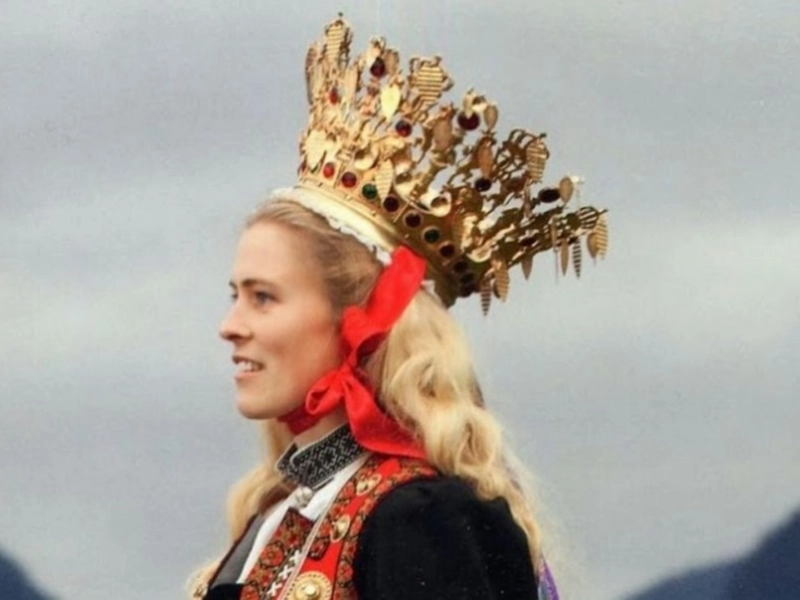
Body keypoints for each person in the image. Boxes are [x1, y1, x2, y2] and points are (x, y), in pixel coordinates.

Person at [190, 15, 607, 600]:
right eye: (235, 296)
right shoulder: (277, 516)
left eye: (264, 297)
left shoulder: (420, 519)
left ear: (360, 317)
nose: (230, 327)